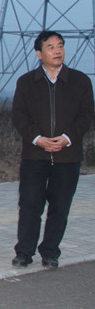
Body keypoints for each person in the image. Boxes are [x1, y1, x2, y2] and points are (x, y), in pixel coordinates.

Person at [11, 30, 94, 270]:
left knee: (60, 207)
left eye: (60, 46)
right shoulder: (26, 82)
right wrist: (37, 139)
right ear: (39, 53)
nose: (57, 51)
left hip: (67, 157)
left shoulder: (80, 81)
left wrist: (67, 138)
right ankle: (24, 252)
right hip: (35, 156)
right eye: (51, 47)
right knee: (30, 206)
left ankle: (50, 252)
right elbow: (19, 115)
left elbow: (86, 115)